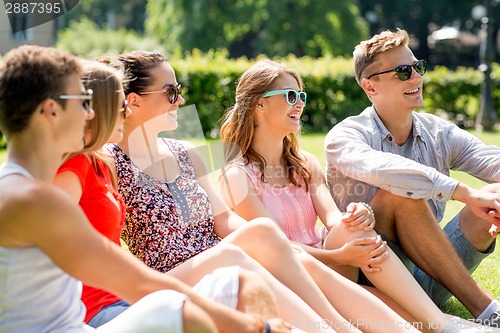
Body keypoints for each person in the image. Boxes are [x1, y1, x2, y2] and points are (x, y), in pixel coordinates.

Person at [109, 50, 495, 333]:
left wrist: (351, 222)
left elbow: (224, 222)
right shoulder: (112, 161)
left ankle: (414, 329)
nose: (180, 99)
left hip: (236, 253)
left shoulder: (188, 152)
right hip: (174, 271)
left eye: (179, 89)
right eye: (170, 91)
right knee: (263, 237)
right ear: (134, 100)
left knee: (284, 245)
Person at [0, 44, 290, 333]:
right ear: (51, 111)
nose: (91, 115)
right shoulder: (32, 200)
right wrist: (258, 327)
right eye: (84, 103)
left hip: (88, 319)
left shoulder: (30, 190)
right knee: (180, 314)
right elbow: (135, 282)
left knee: (241, 284)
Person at [218, 58, 499, 333]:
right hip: (288, 278)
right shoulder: (237, 177)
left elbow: (332, 219)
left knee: (351, 226)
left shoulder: (304, 165)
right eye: (290, 95)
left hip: (333, 268)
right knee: (411, 324)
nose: (299, 103)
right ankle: (444, 323)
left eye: (301, 95)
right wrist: (339, 255)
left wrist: (358, 214)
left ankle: (443, 322)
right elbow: (274, 248)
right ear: (259, 103)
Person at [324, 28, 500, 328]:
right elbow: (386, 170)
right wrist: (464, 192)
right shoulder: (345, 136)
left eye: (418, 67)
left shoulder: (438, 132)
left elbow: (490, 159)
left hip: (435, 273)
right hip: (378, 283)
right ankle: (487, 310)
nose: (417, 78)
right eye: (404, 72)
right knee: (399, 194)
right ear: (370, 87)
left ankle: (443, 307)